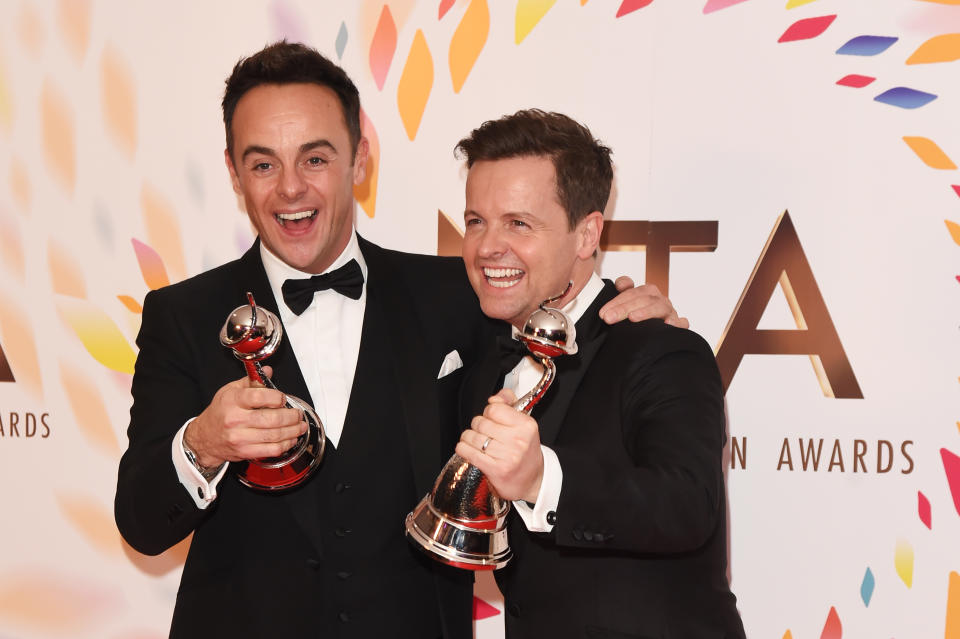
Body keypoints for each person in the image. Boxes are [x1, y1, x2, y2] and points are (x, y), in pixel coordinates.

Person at [113, 43, 683, 638]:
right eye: (263, 165)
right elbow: (142, 523)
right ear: (233, 171)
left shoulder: (459, 293)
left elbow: (557, 343)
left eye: (314, 159)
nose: (289, 190)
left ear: (359, 158)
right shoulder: (181, 314)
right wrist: (202, 444)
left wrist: (625, 317)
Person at [453, 110, 746, 638]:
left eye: (518, 223)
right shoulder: (477, 363)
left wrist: (542, 480)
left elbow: (687, 505)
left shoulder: (661, 349)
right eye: (476, 220)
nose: (487, 245)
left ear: (587, 234)